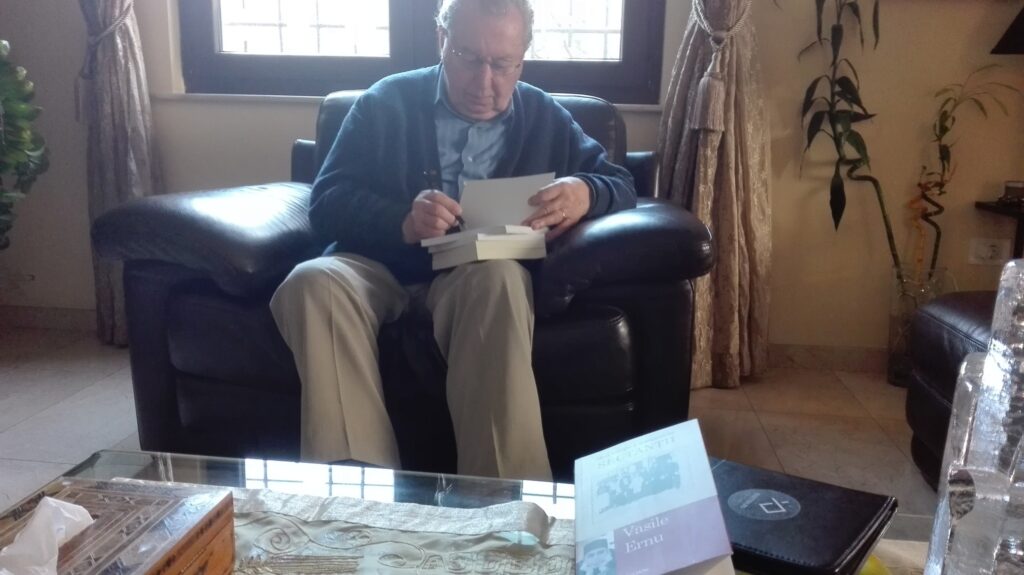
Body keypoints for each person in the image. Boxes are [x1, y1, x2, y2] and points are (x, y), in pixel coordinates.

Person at [270, 0, 636, 481]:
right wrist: (402, 220)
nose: (485, 82)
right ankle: (357, 493)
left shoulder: (545, 116)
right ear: (442, 41)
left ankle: (504, 502)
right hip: (376, 267)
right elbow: (326, 202)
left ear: (522, 59)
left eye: (502, 64)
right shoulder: (385, 102)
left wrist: (585, 191)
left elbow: (621, 183)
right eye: (469, 58)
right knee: (313, 282)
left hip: (475, 277)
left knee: (501, 279)